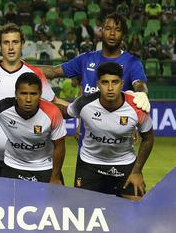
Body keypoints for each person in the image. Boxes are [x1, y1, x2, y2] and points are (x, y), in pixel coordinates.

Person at [0, 23, 62, 177]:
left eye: (15, 42)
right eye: (6, 42)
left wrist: (81, 108)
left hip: (27, 159)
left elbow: (53, 103)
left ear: (22, 44)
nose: (11, 47)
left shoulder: (35, 73)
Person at [39, 13, 150, 141]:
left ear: (123, 35)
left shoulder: (132, 63)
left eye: (117, 30)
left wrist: (142, 93)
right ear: (101, 32)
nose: (112, 33)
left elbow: (140, 85)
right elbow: (53, 72)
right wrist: (22, 67)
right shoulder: (86, 59)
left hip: (119, 139)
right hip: (87, 141)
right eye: (108, 29)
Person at [64, 62, 154, 200]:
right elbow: (63, 112)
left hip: (124, 165)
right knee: (82, 213)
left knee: (138, 210)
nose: (110, 88)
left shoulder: (137, 107)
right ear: (98, 84)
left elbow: (148, 138)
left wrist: (137, 171)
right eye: (105, 82)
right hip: (90, 164)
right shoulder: (84, 103)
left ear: (122, 84)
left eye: (115, 82)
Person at [0, 73, 66, 184]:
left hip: (44, 167)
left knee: (53, 201)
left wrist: (55, 177)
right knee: (7, 201)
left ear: (40, 94)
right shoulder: (2, 108)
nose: (28, 99)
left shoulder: (52, 113)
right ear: (16, 94)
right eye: (23, 93)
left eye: (33, 94)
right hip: (12, 166)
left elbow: (60, 146)